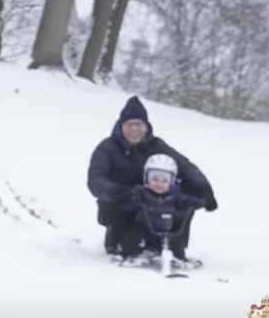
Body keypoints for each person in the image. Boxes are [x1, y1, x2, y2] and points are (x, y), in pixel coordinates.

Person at [87, 96, 217, 257]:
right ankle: (120, 241)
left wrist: (204, 189)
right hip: (121, 201)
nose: (134, 129)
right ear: (121, 126)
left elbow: (184, 166)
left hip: (152, 198)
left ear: (146, 127)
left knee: (186, 194)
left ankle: (171, 244)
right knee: (123, 209)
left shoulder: (155, 145)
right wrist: (115, 191)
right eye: (129, 124)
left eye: (138, 124)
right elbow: (95, 179)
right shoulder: (107, 148)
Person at [113, 154, 207, 267]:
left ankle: (177, 256)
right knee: (132, 237)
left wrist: (197, 203)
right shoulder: (142, 192)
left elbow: (185, 200)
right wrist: (133, 200)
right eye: (155, 179)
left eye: (164, 181)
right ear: (147, 178)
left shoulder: (175, 196)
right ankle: (130, 253)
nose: (159, 184)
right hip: (145, 226)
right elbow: (131, 200)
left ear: (171, 181)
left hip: (169, 229)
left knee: (177, 240)